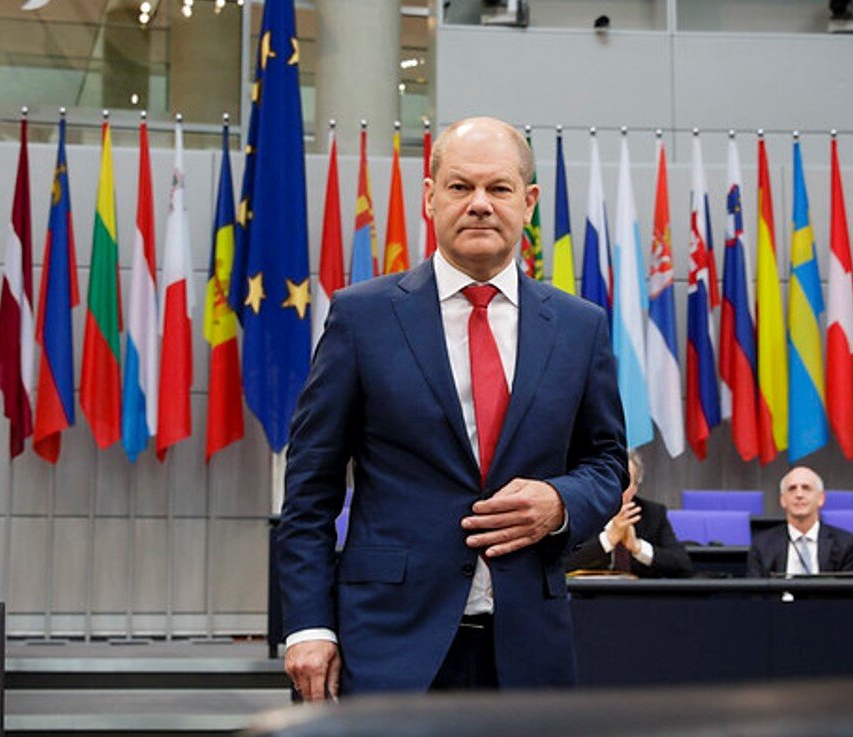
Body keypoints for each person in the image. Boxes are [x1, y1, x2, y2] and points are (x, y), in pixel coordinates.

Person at [277, 116, 627, 698]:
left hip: (527, 649)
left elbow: (607, 462)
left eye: (500, 189)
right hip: (388, 645)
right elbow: (310, 488)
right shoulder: (362, 318)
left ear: (529, 202)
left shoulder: (579, 326)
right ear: (430, 197)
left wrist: (561, 501)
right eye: (461, 187)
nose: (480, 205)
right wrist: (309, 626)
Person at [566, 450, 693, 578]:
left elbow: (682, 565)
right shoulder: (581, 512)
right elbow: (562, 565)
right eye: (610, 480)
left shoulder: (653, 514)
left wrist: (637, 547)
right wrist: (608, 539)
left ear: (635, 487)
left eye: (625, 482)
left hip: (639, 595)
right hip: (590, 595)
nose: (617, 488)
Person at [747, 466, 853, 577]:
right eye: (792, 489)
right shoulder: (761, 544)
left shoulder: (846, 544)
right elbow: (756, 594)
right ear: (783, 500)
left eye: (806, 488)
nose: (799, 495)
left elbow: (847, 595)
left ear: (821, 498)